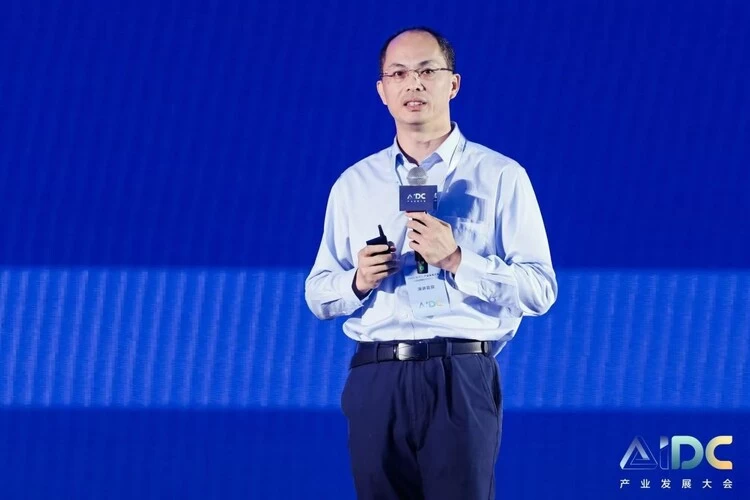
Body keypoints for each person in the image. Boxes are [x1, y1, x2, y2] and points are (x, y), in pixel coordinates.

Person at [305, 26, 557, 500]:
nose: (413, 84)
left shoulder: (501, 175)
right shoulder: (354, 183)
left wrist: (458, 259)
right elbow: (318, 294)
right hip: (377, 375)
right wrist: (358, 280)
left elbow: (540, 290)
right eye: (398, 74)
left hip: (459, 374)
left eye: (426, 71)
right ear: (382, 91)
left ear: (453, 84)